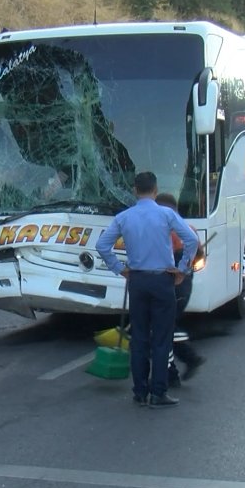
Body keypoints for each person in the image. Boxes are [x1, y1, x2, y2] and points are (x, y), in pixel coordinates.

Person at [95, 172, 197, 409]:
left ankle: (139, 392)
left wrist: (119, 268)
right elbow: (191, 240)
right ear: (155, 190)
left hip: (137, 281)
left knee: (139, 337)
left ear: (134, 190)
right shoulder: (166, 214)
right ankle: (158, 393)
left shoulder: (124, 217)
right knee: (161, 339)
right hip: (163, 281)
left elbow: (102, 245)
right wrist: (182, 269)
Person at [155, 193, 206, 387]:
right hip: (185, 286)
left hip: (173, 286)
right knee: (165, 328)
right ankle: (173, 372)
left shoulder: (166, 232)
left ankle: (188, 360)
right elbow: (199, 257)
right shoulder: (189, 229)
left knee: (163, 329)